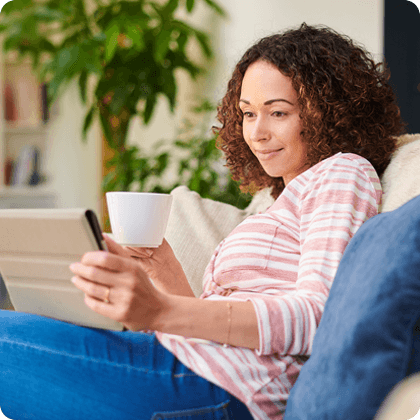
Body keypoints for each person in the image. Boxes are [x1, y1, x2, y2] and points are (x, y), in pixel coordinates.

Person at [0, 23, 405, 420]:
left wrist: (159, 310)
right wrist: (162, 268)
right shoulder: (275, 203)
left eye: (277, 112)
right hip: (192, 367)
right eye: (247, 114)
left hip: (224, 388)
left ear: (328, 112)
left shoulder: (340, 173)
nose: (257, 133)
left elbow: (319, 318)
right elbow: (213, 325)